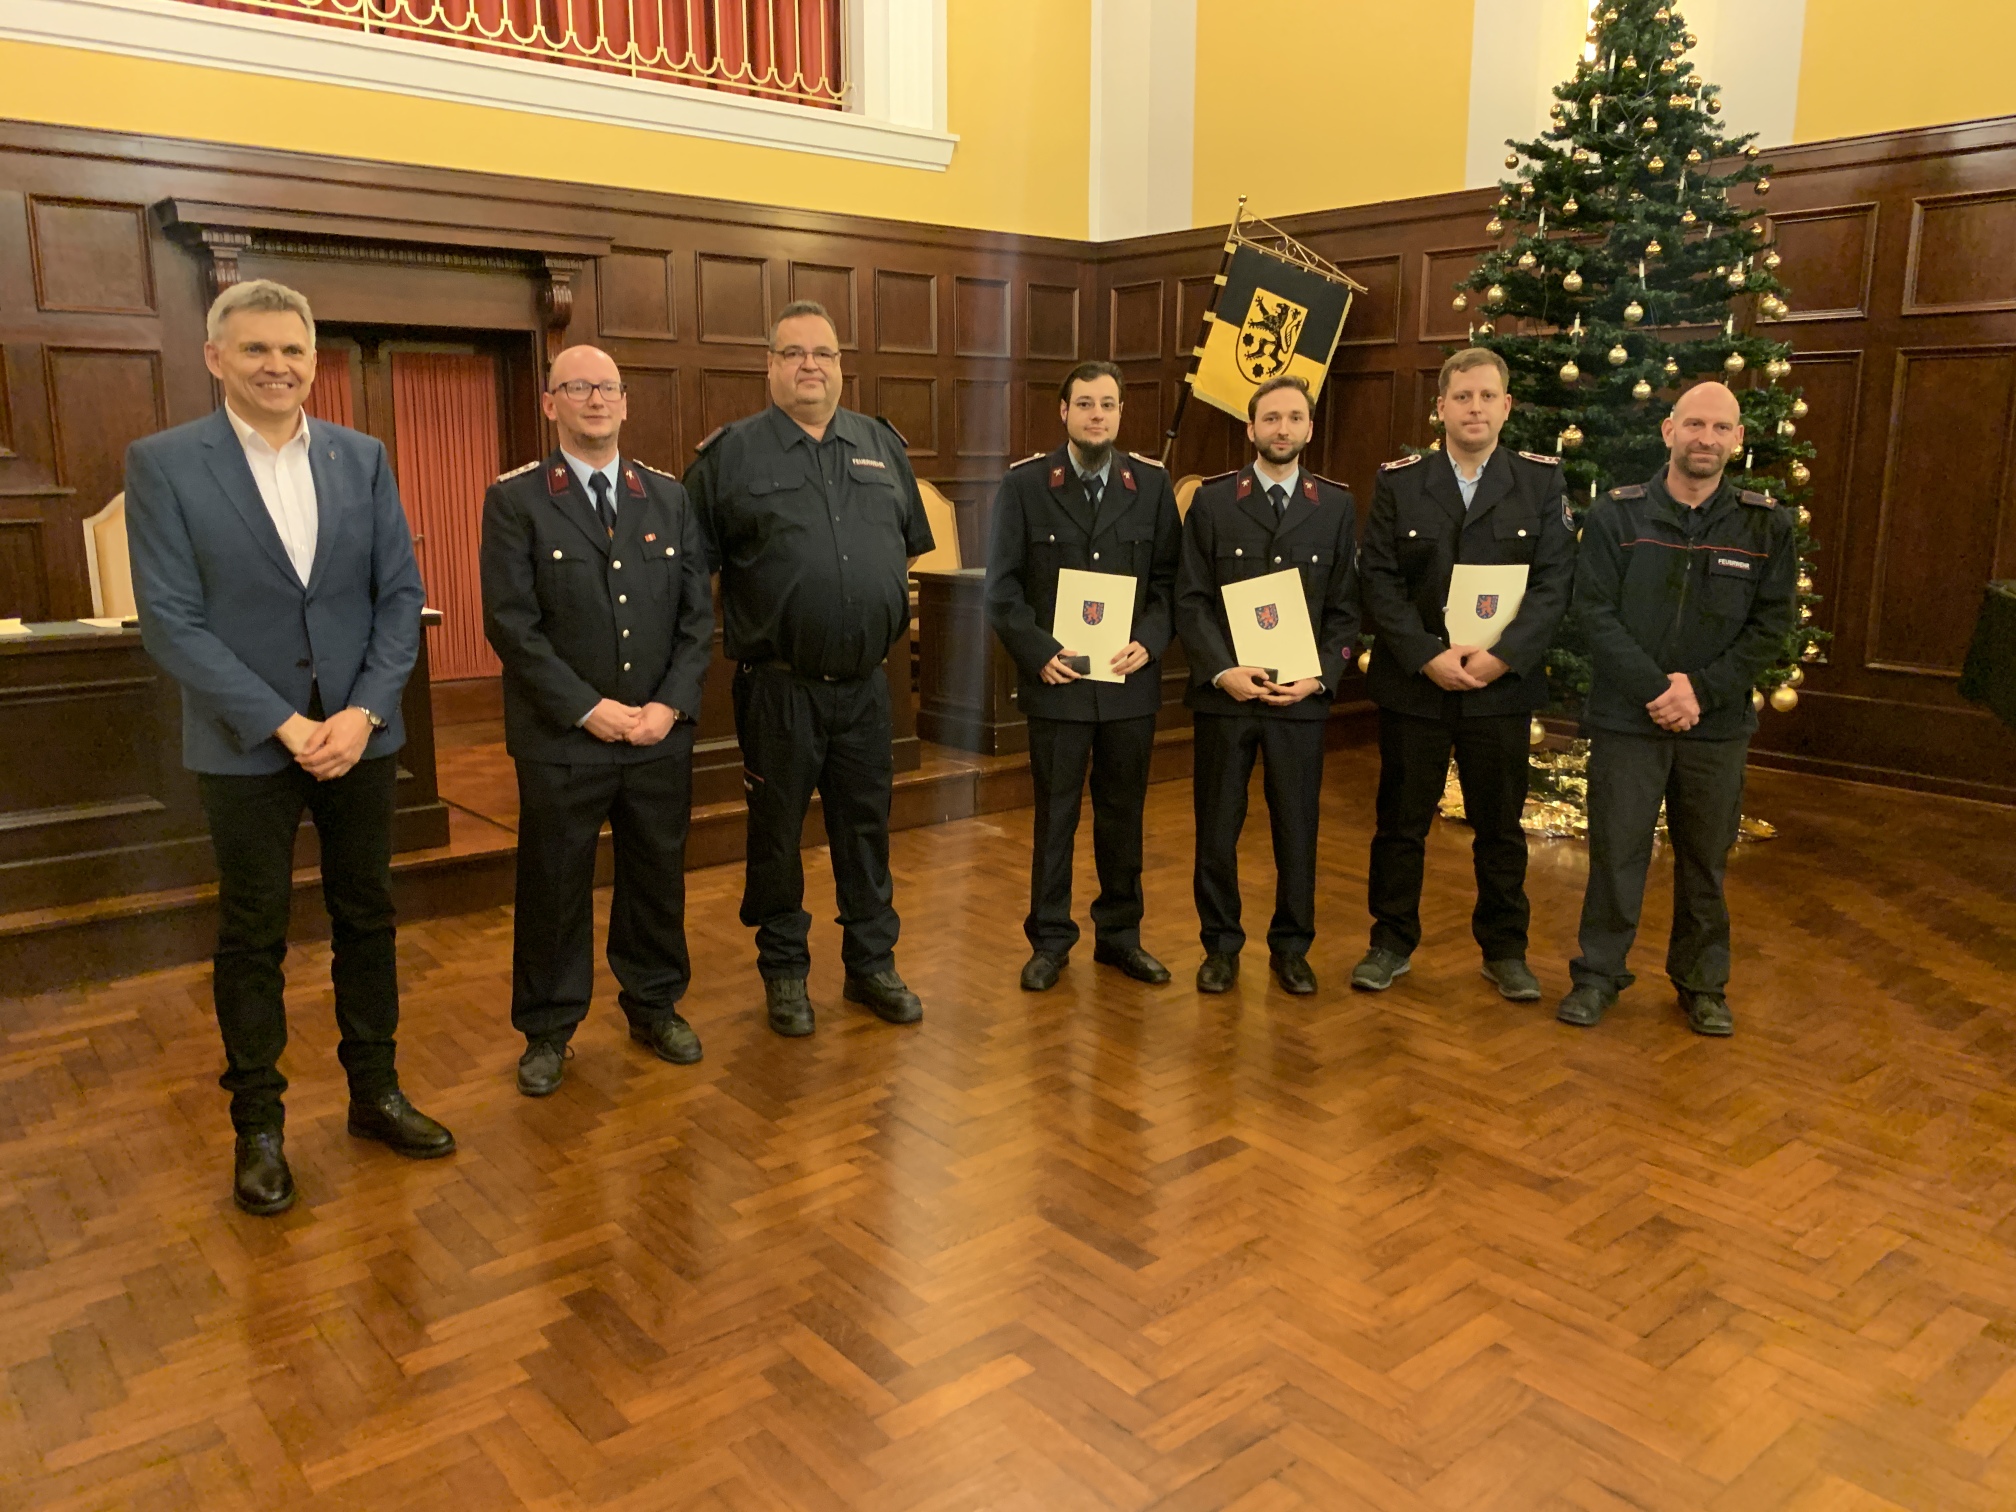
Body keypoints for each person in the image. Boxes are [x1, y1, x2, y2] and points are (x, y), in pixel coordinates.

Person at [125, 278, 453, 1217]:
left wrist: (364, 714)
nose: (278, 366)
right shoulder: (164, 463)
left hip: (357, 738)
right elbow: (172, 624)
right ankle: (259, 1132)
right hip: (245, 745)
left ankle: (375, 1095)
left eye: (294, 351)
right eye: (257, 349)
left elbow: (399, 596)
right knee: (253, 936)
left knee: (369, 918)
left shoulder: (362, 457)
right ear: (215, 357)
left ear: (316, 362)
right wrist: (284, 721)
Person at [684, 300, 935, 1036]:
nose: (809, 367)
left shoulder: (881, 446)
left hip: (867, 687)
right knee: (777, 835)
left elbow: (908, 547)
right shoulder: (729, 456)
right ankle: (786, 972)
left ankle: (871, 964)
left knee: (866, 829)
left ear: (840, 366)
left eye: (822, 354)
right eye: (792, 353)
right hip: (779, 688)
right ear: (770, 366)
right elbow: (693, 570)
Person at [481, 346, 714, 1097]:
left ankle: (654, 1006)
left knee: (656, 877)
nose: (595, 400)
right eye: (577, 388)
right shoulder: (516, 499)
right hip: (561, 739)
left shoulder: (668, 497)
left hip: (655, 734)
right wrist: (587, 709)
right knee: (553, 885)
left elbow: (694, 617)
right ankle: (548, 1029)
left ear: (625, 401)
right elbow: (512, 626)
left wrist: (668, 706)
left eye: (608, 387)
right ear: (550, 403)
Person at [1557, 381, 1798, 1036]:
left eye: (1721, 429)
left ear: (1738, 440)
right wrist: (1657, 690)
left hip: (1715, 726)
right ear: (1669, 431)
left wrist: (1701, 690)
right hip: (1627, 718)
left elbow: (1772, 626)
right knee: (1615, 850)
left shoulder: (1764, 523)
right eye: (1695, 425)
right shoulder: (1616, 516)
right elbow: (1594, 612)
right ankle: (1598, 974)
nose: (1706, 439)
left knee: (1704, 859)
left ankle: (1702, 984)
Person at [1352, 347, 1576, 999]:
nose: (1473, 408)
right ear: (1441, 408)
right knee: (1400, 825)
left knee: (1500, 827)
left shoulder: (1539, 483)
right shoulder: (1401, 482)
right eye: (1461, 396)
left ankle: (1505, 950)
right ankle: (1389, 942)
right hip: (1416, 684)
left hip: (1500, 689)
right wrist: (1426, 653)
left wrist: (1505, 655)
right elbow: (1381, 580)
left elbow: (1555, 581)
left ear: (1506, 407)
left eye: (1486, 396)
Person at [984, 361, 1182, 992]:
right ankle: (1049, 940)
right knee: (1056, 817)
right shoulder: (1024, 486)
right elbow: (1003, 587)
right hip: (1059, 682)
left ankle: (1121, 937)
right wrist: (1036, 650)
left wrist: (1149, 644)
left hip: (1128, 686)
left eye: (1109, 404)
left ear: (1121, 413)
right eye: (1086, 404)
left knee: (1123, 815)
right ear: (1063, 412)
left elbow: (1171, 585)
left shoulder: (1150, 485)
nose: (1098, 414)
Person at [1174, 375, 1360, 995]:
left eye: (1295, 418)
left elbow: (1344, 609)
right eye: (1271, 418)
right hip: (1227, 697)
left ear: (1309, 428)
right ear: (1250, 428)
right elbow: (1191, 597)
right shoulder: (1213, 501)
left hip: (1299, 699)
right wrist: (1222, 670)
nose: (1283, 429)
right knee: (1217, 827)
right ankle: (1220, 945)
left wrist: (1322, 675)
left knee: (1297, 828)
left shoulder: (1333, 505)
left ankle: (1292, 946)